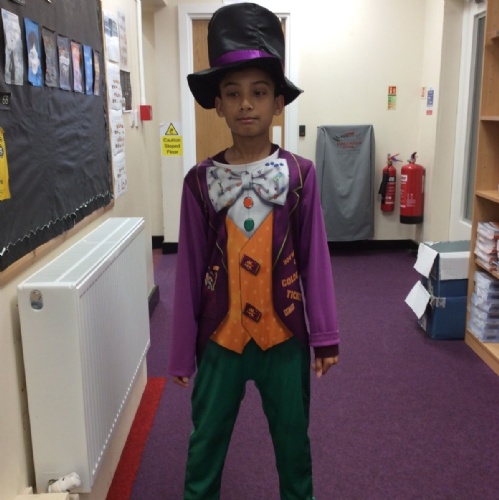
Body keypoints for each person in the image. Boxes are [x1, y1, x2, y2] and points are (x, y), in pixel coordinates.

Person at [168, 3, 340, 499]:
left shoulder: (301, 175)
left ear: (278, 103)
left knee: (293, 445)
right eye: (233, 93)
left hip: (283, 335)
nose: (246, 104)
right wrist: (181, 350)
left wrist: (325, 334)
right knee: (204, 446)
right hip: (218, 338)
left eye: (259, 92)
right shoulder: (198, 182)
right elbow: (188, 269)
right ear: (218, 105)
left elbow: (315, 260)